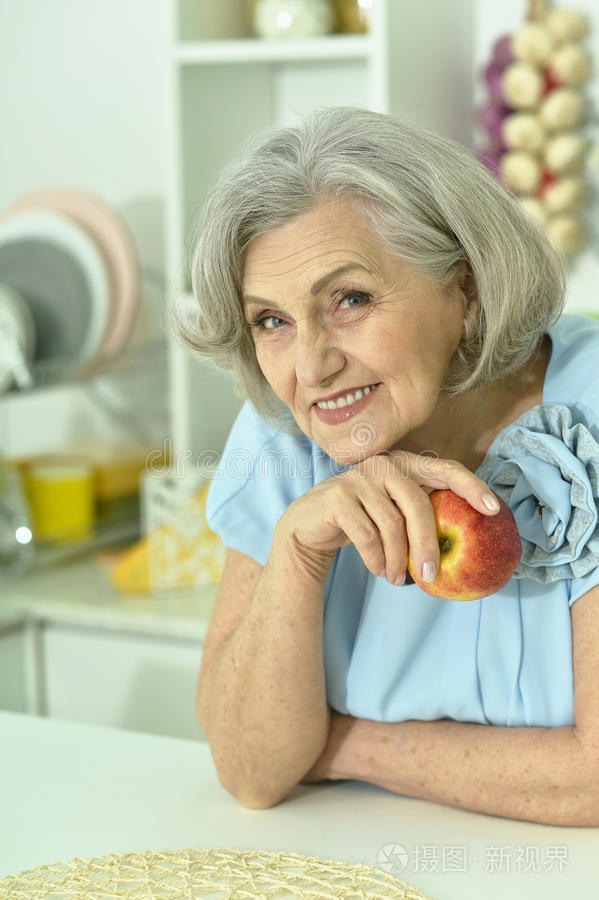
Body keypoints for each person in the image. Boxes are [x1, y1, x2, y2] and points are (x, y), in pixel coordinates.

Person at [172, 106, 599, 826]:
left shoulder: (585, 413)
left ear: (463, 290)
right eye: (270, 320)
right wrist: (296, 552)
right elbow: (250, 770)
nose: (311, 366)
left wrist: (344, 747)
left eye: (350, 299)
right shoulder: (282, 435)